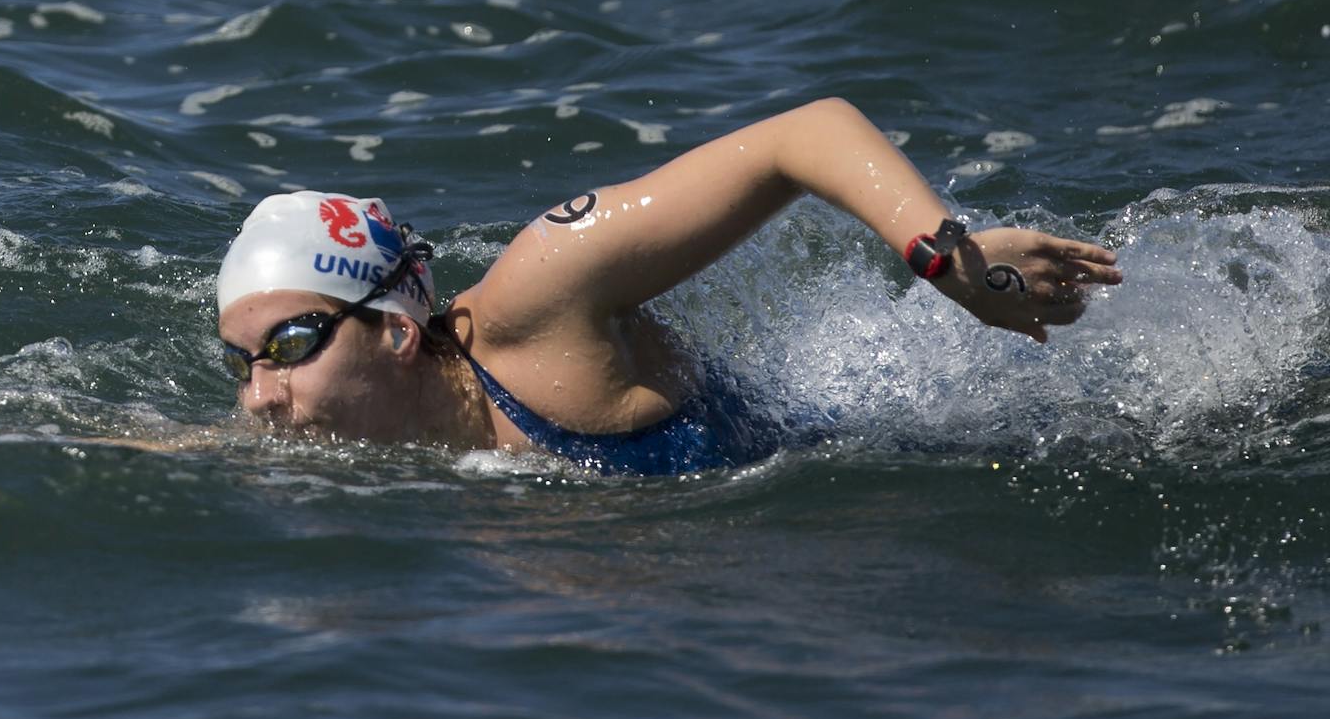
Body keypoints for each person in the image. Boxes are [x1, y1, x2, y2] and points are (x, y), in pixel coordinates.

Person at [216, 98, 1121, 475]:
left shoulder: (540, 303)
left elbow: (803, 135)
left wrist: (946, 262)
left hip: (943, 449)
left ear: (395, 332)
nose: (260, 396)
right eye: (240, 363)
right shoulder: (332, 438)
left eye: (290, 346)